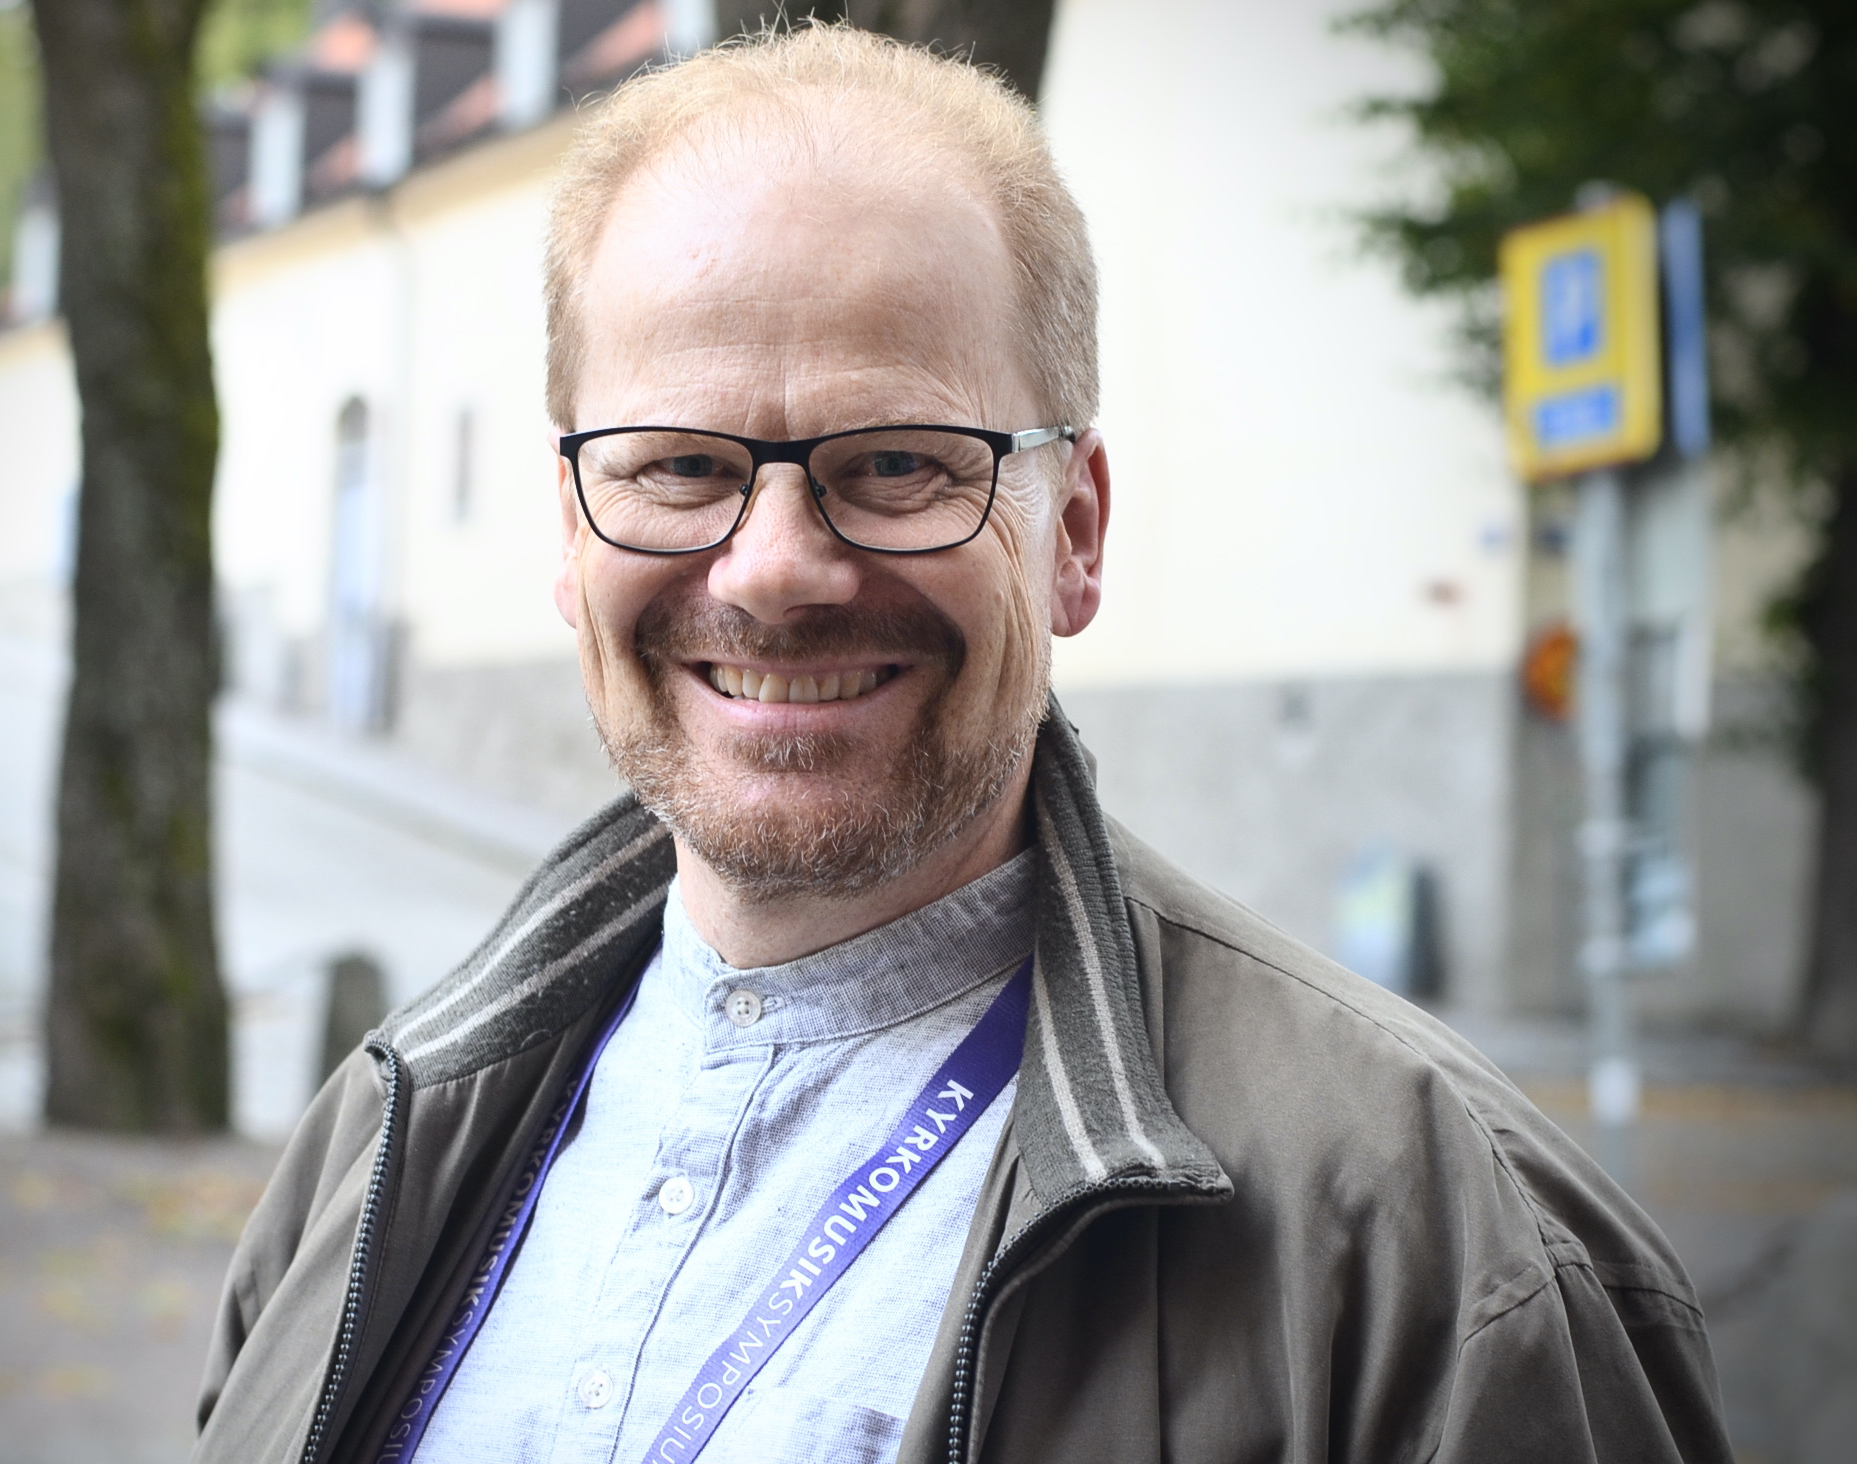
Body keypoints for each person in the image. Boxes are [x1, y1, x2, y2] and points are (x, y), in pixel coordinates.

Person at [194, 24, 1731, 1464]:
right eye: (676, 466)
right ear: (570, 532)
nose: (773, 567)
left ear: (1072, 531)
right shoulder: (379, 1142)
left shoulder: (1441, 1249)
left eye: (899, 464)